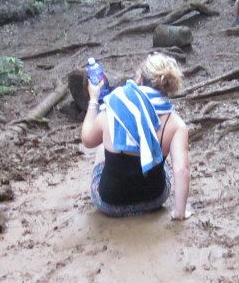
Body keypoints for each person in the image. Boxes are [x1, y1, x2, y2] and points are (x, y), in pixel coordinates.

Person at [80, 53, 191, 220]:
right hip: (154, 200)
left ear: (139, 79)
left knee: (103, 145)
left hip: (110, 204)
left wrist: (94, 100)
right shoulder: (176, 124)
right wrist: (179, 213)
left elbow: (87, 140)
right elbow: (182, 170)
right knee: (162, 159)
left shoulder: (114, 108)